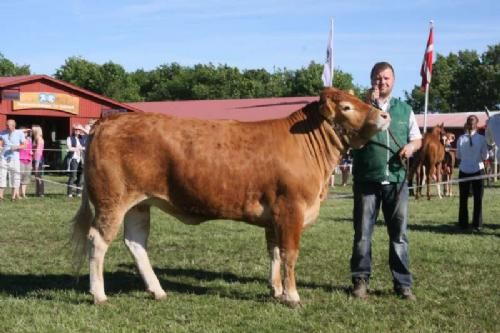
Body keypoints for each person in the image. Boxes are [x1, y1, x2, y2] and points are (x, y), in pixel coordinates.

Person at [349, 62, 422, 300]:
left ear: (394, 80)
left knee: (399, 236)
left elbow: (417, 139)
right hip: (367, 180)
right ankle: (360, 281)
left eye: (387, 78)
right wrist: (371, 110)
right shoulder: (359, 109)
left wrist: (410, 148)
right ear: (371, 80)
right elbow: (354, 142)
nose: (382, 82)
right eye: (378, 78)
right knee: (362, 234)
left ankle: (402, 284)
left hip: (397, 181)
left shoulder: (405, 109)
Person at [456, 115, 488, 232]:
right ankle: (477, 224)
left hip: (464, 170)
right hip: (477, 170)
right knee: (478, 199)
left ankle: (463, 224)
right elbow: (485, 156)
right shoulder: (482, 139)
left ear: (467, 124)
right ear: (477, 125)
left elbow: (458, 156)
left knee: (463, 199)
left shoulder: (460, 139)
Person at [0, 119, 27, 200]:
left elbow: (24, 145)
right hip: (3, 158)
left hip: (14, 158)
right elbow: (0, 143)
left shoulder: (20, 133)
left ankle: (13, 196)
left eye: (9, 126)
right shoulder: (2, 132)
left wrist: (17, 147)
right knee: (2, 175)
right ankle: (1, 196)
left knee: (15, 176)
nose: (7, 127)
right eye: (6, 125)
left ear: (14, 125)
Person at [66, 124, 86, 197]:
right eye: (75, 129)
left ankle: (78, 192)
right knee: (73, 176)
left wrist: (82, 128)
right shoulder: (69, 138)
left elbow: (89, 134)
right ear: (73, 130)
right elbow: (69, 148)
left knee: (81, 176)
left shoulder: (83, 138)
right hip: (73, 158)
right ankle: (69, 193)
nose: (77, 131)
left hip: (82, 159)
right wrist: (80, 148)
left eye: (78, 129)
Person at [18, 127, 33, 198]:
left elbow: (30, 148)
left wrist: (31, 153)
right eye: (24, 132)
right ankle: (17, 194)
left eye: (26, 132)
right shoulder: (18, 139)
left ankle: (23, 194)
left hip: (28, 160)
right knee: (19, 177)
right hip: (20, 159)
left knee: (26, 178)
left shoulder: (29, 139)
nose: (26, 133)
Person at [32, 125, 45, 197]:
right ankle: (38, 192)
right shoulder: (37, 138)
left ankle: (40, 192)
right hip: (37, 158)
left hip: (38, 159)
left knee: (38, 175)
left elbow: (38, 151)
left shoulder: (39, 139)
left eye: (33, 131)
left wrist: (35, 161)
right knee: (37, 176)